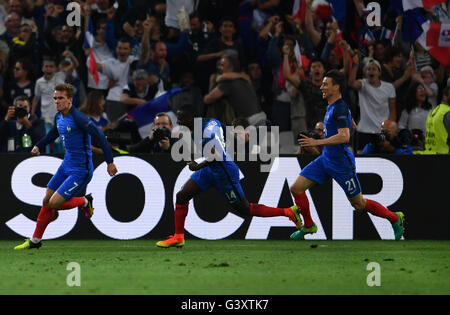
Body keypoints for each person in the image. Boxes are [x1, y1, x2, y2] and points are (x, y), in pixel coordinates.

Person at [155, 105, 302, 248]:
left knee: (245, 209)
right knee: (182, 196)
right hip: (210, 170)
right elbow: (225, 133)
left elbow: (217, 155)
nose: (178, 122)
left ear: (191, 118)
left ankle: (288, 212)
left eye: (181, 119)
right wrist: (170, 145)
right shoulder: (211, 122)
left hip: (224, 173)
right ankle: (178, 237)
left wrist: (197, 166)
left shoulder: (205, 133)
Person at [289, 70, 405, 241]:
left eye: (325, 84)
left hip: (341, 163)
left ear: (336, 87)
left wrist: (317, 143)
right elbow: (353, 126)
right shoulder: (335, 107)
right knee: (296, 188)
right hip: (326, 159)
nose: (322, 87)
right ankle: (308, 226)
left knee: (359, 204)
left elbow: (345, 136)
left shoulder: (340, 108)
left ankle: (395, 218)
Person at [14, 84, 118, 250]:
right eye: (55, 98)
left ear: (70, 100)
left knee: (54, 203)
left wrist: (110, 161)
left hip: (81, 170)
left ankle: (85, 201)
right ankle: (35, 241)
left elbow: (99, 135)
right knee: (46, 201)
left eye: (60, 98)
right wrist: (39, 145)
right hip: (66, 165)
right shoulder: (59, 116)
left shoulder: (79, 117)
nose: (57, 101)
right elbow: (54, 133)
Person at [349, 56, 397, 153]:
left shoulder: (389, 87)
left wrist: (390, 129)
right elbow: (351, 83)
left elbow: (393, 110)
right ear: (365, 73)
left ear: (379, 73)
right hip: (364, 131)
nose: (371, 71)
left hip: (382, 131)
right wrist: (355, 66)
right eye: (368, 69)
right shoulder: (363, 84)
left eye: (374, 69)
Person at [422, 86, 450, 154]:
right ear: (445, 97)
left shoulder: (434, 110)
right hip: (445, 157)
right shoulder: (447, 112)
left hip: (430, 154)